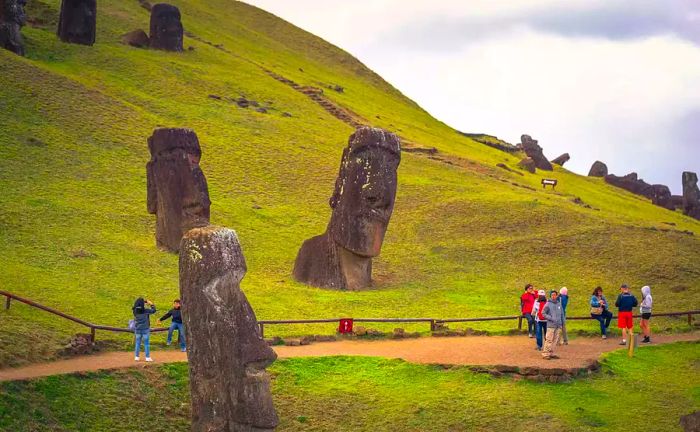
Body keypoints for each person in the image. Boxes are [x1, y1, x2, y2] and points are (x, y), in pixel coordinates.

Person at [542, 290, 564, 360]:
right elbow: (543, 313)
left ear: (557, 296)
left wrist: (562, 323)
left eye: (555, 295)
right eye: (552, 295)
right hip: (551, 325)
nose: (553, 296)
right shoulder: (548, 304)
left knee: (555, 340)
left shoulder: (559, 304)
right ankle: (545, 354)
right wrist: (550, 318)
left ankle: (551, 353)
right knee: (549, 339)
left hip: (558, 325)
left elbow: (562, 314)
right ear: (550, 296)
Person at [133, 297, 156, 362]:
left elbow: (135, 307)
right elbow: (154, 310)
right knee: (146, 344)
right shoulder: (146, 311)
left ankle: (137, 357)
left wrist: (141, 303)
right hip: (145, 329)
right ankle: (147, 357)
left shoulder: (135, 311)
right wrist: (151, 304)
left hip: (137, 329)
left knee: (137, 343)